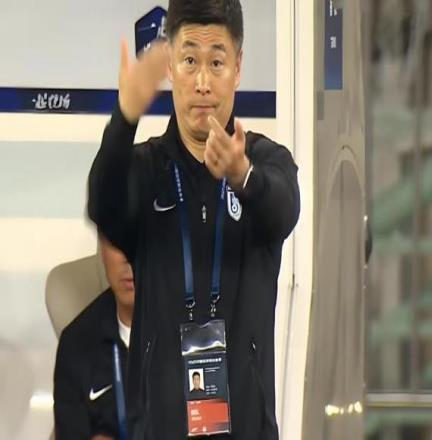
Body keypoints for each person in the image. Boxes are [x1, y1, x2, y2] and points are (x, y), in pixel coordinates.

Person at [87, 0, 300, 438]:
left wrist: (242, 176)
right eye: (189, 61)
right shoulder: (146, 168)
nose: (202, 82)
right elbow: (102, 205)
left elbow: (285, 209)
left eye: (216, 62)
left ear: (238, 68)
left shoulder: (265, 161)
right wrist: (124, 118)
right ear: (170, 66)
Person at [53, 236, 135, 440]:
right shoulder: (75, 344)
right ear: (102, 250)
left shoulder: (197, 331)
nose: (128, 257)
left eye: (139, 242)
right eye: (116, 242)